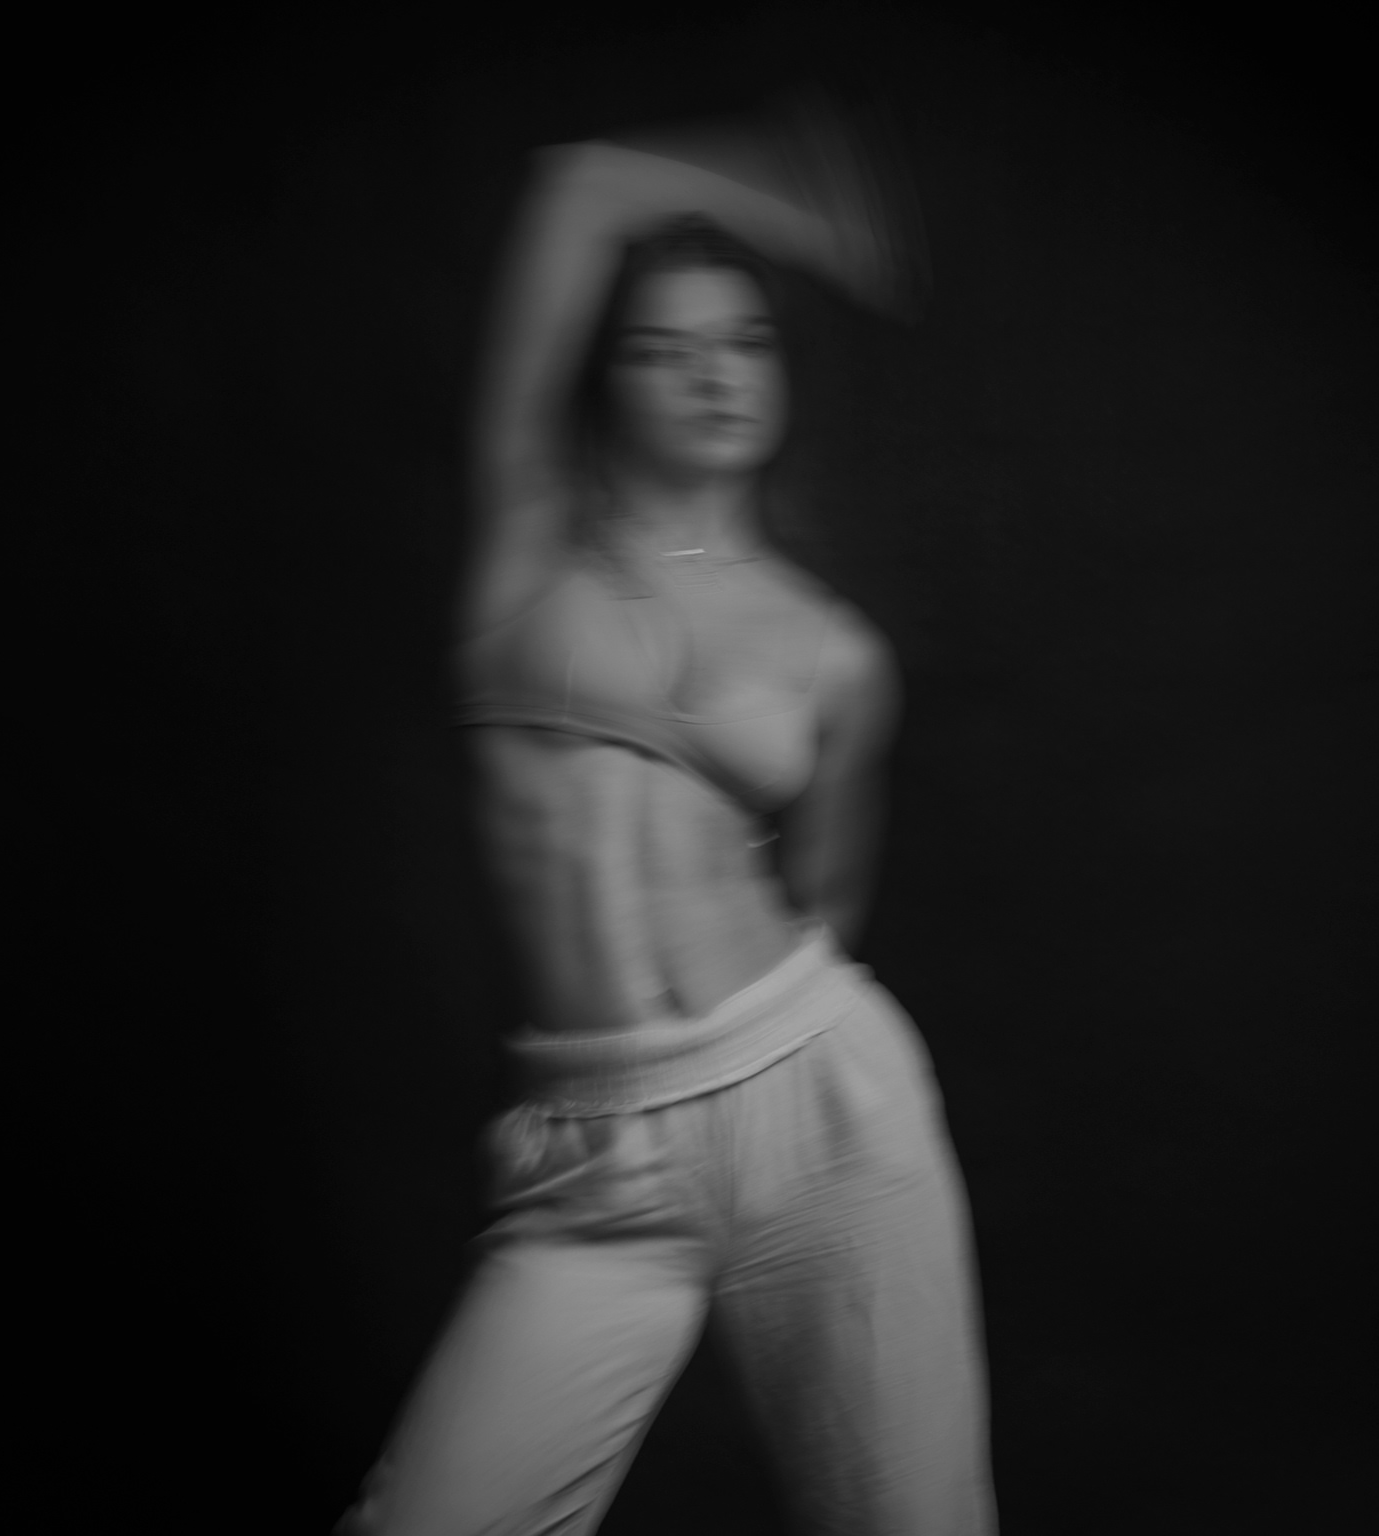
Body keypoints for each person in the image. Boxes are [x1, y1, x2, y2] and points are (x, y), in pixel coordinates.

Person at [336, 106, 996, 1536]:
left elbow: (828, 905)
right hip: (595, 1153)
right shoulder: (527, 548)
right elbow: (580, 189)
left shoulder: (835, 649)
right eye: (663, 347)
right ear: (602, 378)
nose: (713, 373)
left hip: (819, 1111)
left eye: (746, 343)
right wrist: (788, 205)